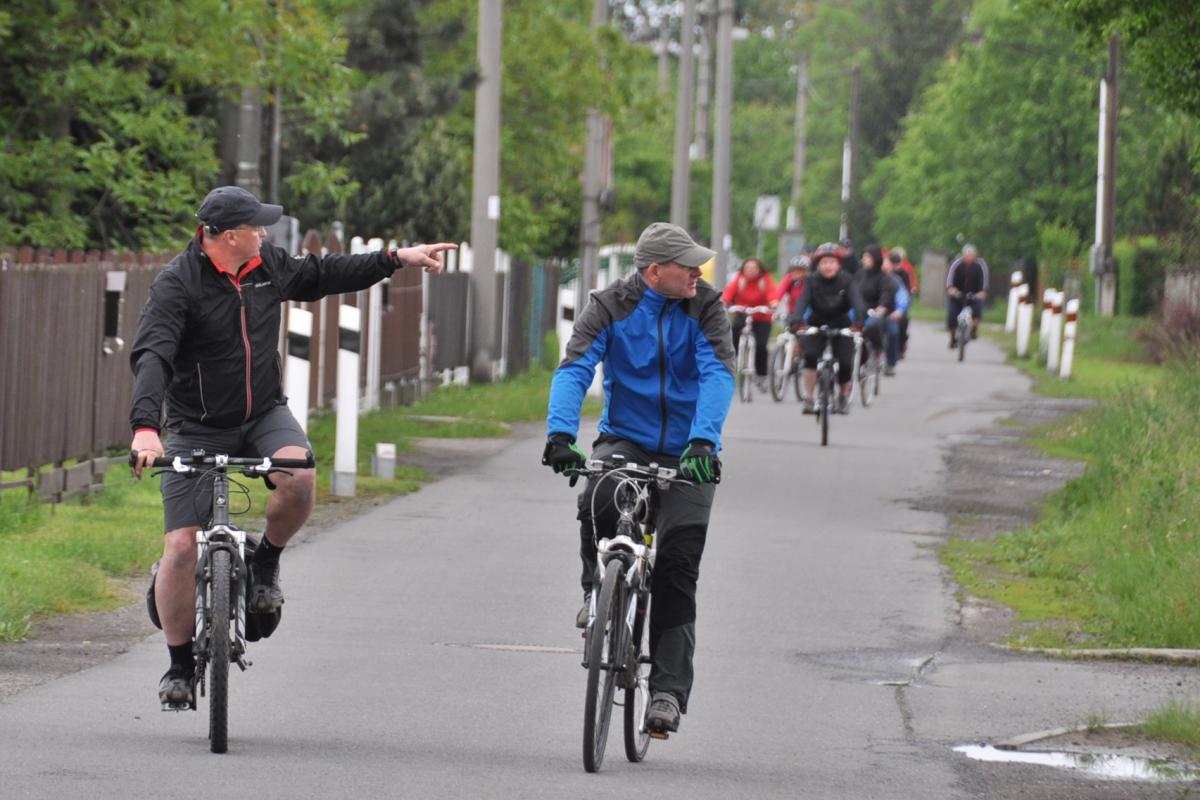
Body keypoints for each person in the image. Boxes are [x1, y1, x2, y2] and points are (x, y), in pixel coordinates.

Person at [129, 186, 456, 707]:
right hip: (195, 424)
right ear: (229, 235)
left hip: (263, 416)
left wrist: (396, 258)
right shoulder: (178, 285)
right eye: (257, 226)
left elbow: (325, 275)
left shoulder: (267, 266)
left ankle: (266, 564)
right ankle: (179, 666)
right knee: (180, 548)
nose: (265, 232)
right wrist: (146, 428)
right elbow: (153, 356)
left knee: (299, 474)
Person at [542, 221, 734, 736]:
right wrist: (561, 434)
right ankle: (595, 592)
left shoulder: (706, 307)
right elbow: (576, 367)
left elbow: (718, 374)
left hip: (690, 451)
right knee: (597, 499)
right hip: (627, 437)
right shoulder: (609, 306)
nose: (698, 271)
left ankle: (668, 692)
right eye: (687, 264)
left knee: (676, 563)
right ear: (655, 271)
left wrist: (703, 442)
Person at [788, 242, 865, 414]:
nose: (828, 266)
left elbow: (857, 302)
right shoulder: (811, 280)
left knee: (846, 363)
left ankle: (842, 396)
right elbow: (802, 302)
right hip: (817, 323)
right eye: (824, 263)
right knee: (810, 356)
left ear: (838, 264)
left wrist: (859, 322)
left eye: (831, 262)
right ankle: (808, 397)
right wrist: (796, 320)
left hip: (842, 324)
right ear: (818, 264)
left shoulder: (847, 280)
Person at [721, 257, 776, 391]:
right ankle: (729, 374)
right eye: (748, 268)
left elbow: (771, 293)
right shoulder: (739, 279)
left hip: (762, 317)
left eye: (754, 268)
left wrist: (773, 303)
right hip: (742, 315)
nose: (750, 271)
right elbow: (729, 292)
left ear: (759, 270)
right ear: (743, 269)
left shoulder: (765, 279)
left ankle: (762, 376)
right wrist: (724, 302)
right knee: (732, 345)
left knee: (761, 346)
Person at [857, 245, 906, 376]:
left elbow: (889, 294)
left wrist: (884, 307)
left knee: (893, 331)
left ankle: (888, 360)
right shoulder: (859, 275)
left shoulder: (889, 279)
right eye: (864, 257)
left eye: (867, 257)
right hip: (862, 311)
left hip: (884, 313)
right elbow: (853, 292)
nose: (864, 260)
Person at [945, 243, 989, 346]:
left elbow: (985, 282)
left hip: (974, 294)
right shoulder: (956, 264)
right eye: (967, 254)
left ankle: (974, 329)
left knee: (977, 311)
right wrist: (952, 290)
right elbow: (949, 282)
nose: (969, 257)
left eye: (972, 254)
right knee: (951, 316)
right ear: (963, 255)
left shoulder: (980, 265)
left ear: (975, 255)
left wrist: (982, 292)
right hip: (958, 294)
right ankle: (952, 338)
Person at [881, 251, 912, 370]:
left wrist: (899, 310)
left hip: (891, 313)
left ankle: (891, 363)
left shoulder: (896, 280)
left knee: (894, 331)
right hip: (872, 314)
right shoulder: (866, 277)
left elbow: (902, 295)